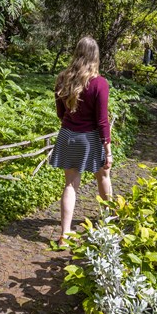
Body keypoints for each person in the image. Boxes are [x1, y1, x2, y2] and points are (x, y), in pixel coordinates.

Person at [49, 36, 112, 246]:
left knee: (70, 184)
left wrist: (71, 125)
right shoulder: (99, 83)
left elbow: (60, 112)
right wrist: (108, 149)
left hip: (67, 136)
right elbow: (102, 120)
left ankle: (65, 234)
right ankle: (108, 221)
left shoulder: (62, 79)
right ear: (96, 56)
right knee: (103, 175)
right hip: (90, 137)